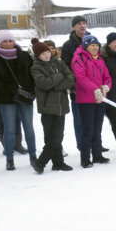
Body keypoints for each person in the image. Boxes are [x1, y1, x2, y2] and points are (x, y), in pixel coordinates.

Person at [0, 31, 37, 172]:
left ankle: (33, 156)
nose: (8, 44)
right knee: (9, 129)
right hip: (6, 98)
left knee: (29, 128)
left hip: (25, 96)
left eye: (10, 41)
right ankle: (9, 159)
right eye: (5, 41)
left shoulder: (24, 55)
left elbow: (32, 73)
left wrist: (31, 90)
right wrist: (8, 88)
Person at [29, 37, 74, 172]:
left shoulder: (59, 64)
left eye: (47, 52)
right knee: (51, 137)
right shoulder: (36, 68)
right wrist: (59, 77)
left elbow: (70, 78)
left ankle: (56, 163)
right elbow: (44, 83)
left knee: (57, 136)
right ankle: (43, 162)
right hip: (47, 107)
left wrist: (56, 86)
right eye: (43, 54)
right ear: (38, 56)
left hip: (61, 105)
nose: (47, 55)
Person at [69, 33, 111, 168]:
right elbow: (81, 78)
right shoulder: (78, 59)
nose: (95, 48)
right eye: (92, 45)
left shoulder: (100, 59)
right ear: (86, 46)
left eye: (97, 45)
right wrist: (95, 89)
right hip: (86, 100)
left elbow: (107, 76)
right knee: (88, 129)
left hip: (100, 99)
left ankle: (97, 155)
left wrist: (106, 87)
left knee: (97, 128)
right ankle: (85, 158)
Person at [60, 16, 88, 143]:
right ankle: (82, 145)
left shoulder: (92, 41)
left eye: (84, 23)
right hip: (77, 89)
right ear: (73, 27)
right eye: (79, 24)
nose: (82, 26)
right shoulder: (68, 46)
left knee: (92, 118)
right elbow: (66, 68)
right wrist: (75, 85)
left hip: (93, 87)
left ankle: (94, 143)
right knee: (80, 119)